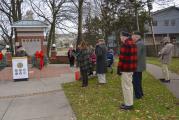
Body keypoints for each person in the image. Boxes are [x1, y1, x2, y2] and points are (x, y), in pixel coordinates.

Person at [117, 31, 137, 110]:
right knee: (130, 86)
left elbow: (122, 58)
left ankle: (128, 105)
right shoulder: (133, 44)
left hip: (125, 69)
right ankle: (129, 102)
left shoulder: (125, 45)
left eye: (121, 37)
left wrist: (119, 68)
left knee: (126, 87)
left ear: (124, 37)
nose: (120, 38)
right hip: (132, 68)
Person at [132, 31, 146, 99]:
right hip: (139, 66)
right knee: (138, 81)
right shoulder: (140, 42)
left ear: (137, 36)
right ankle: (140, 93)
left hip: (137, 66)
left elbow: (136, 55)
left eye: (133, 36)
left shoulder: (138, 44)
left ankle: (138, 95)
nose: (132, 37)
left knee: (136, 81)